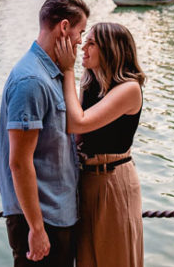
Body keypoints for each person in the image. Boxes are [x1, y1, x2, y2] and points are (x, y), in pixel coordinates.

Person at [0, 0, 90, 266]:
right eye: (80, 32)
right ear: (64, 27)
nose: (80, 41)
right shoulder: (32, 81)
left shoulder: (50, 74)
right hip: (42, 220)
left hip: (55, 215)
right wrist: (36, 229)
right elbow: (19, 163)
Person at [55, 22, 145, 267]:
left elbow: (77, 123)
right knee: (86, 260)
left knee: (115, 258)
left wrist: (68, 69)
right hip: (87, 180)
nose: (83, 47)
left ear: (110, 49)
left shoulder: (130, 88)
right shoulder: (91, 83)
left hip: (113, 181)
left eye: (91, 43)